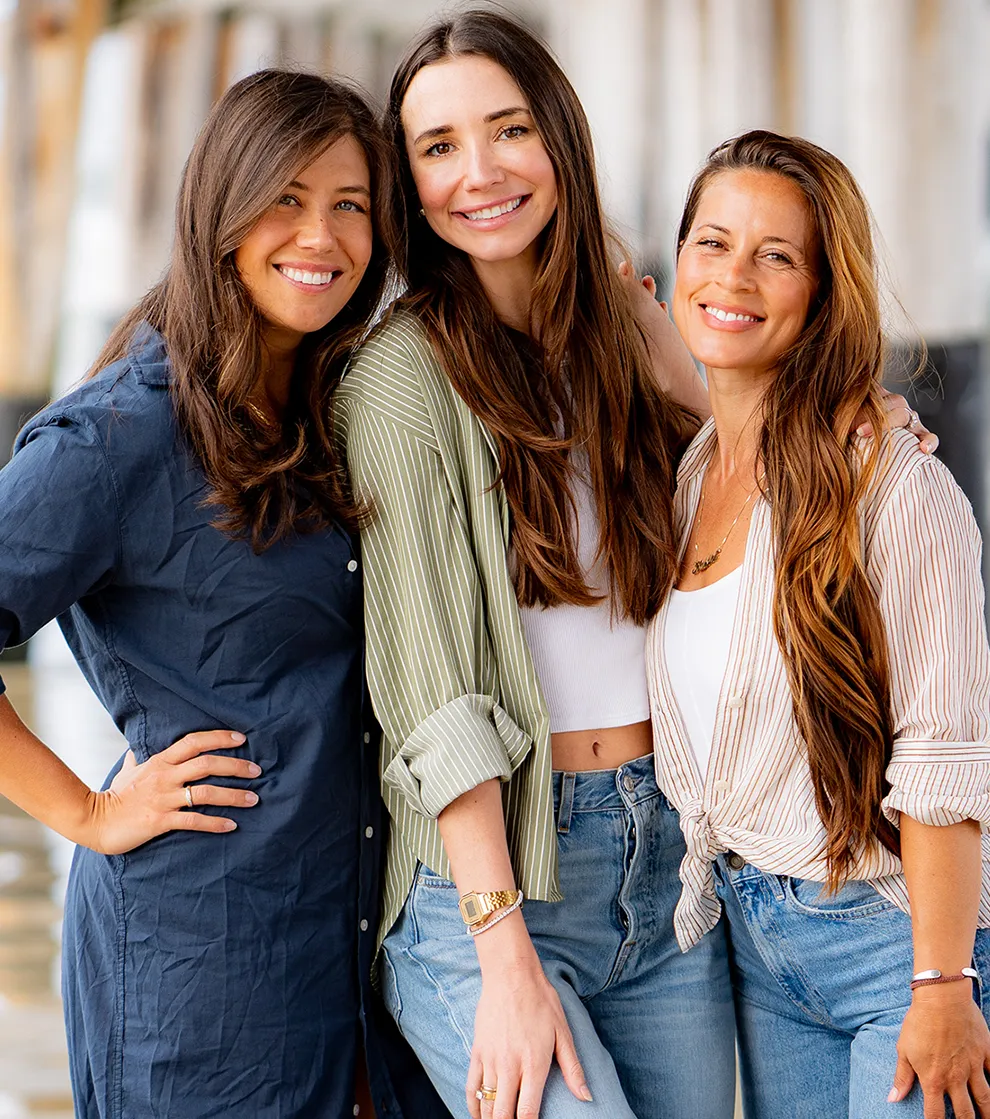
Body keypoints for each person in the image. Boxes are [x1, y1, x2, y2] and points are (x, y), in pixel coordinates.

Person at [335, 12, 933, 1119]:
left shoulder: (617, 327)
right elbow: (432, 702)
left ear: (559, 136)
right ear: (407, 181)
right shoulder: (398, 381)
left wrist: (852, 422)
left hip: (671, 868)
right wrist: (502, 958)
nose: (480, 173)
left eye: (509, 129)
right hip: (498, 881)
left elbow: (742, 459)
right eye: (438, 148)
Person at [0, 69, 446, 1119]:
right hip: (202, 974)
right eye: (286, 198)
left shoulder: (334, 413)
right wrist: (93, 811)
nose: (322, 236)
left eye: (350, 205)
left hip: (361, 959)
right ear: (221, 209)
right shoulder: (117, 439)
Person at [646, 129, 990, 1119]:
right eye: (711, 243)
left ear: (824, 290)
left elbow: (945, 757)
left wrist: (942, 987)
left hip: (892, 950)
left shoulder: (895, 487)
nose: (734, 277)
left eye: (777, 255)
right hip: (754, 944)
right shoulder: (688, 476)